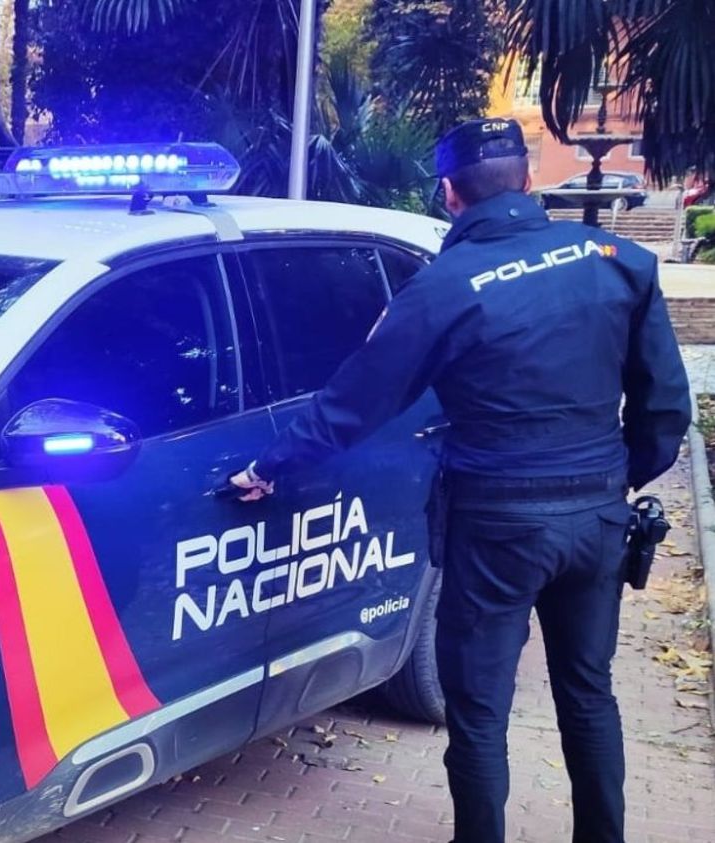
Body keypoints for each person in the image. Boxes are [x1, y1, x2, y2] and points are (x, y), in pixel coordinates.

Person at [229, 117, 691, 843]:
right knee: (589, 694)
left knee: (479, 711)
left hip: (497, 525)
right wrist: (612, 481)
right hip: (598, 517)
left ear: (449, 194)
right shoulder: (621, 261)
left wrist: (268, 467)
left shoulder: (445, 286)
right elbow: (667, 408)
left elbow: (355, 402)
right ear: (529, 180)